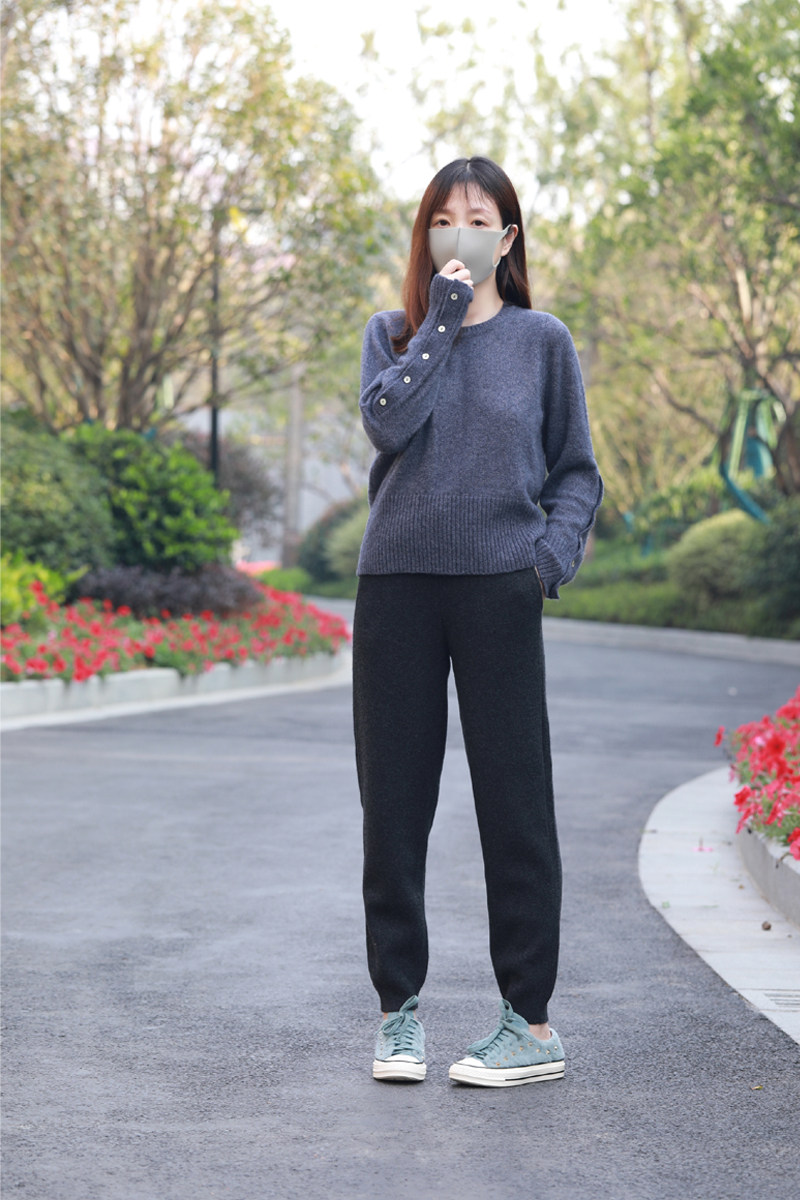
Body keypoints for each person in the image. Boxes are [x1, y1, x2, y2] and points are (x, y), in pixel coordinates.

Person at [352, 156, 603, 1087]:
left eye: (478, 219)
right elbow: (388, 424)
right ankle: (398, 1014)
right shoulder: (393, 334)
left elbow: (576, 471)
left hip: (499, 587)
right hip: (396, 589)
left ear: (508, 237)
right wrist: (444, 320)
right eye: (442, 220)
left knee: (514, 802)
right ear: (426, 236)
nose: (459, 232)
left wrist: (545, 560)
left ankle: (530, 1024)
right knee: (394, 806)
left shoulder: (542, 341)